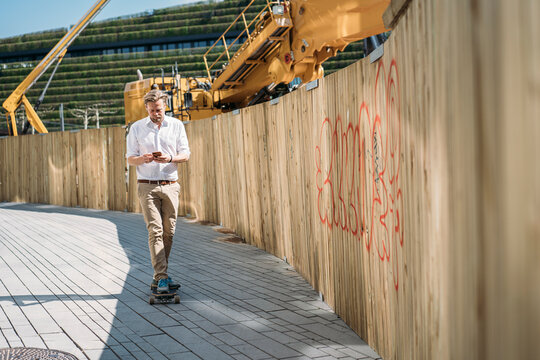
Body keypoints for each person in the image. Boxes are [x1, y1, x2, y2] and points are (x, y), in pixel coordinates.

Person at [126, 89, 190, 293]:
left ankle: (159, 276)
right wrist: (143, 159)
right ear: (146, 108)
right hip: (147, 185)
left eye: (159, 110)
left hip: (171, 184)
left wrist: (170, 158)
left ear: (165, 107)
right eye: (152, 110)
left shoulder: (177, 125)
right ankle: (162, 277)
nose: (156, 113)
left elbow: (186, 154)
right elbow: (130, 158)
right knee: (155, 230)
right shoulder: (136, 128)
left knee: (169, 232)